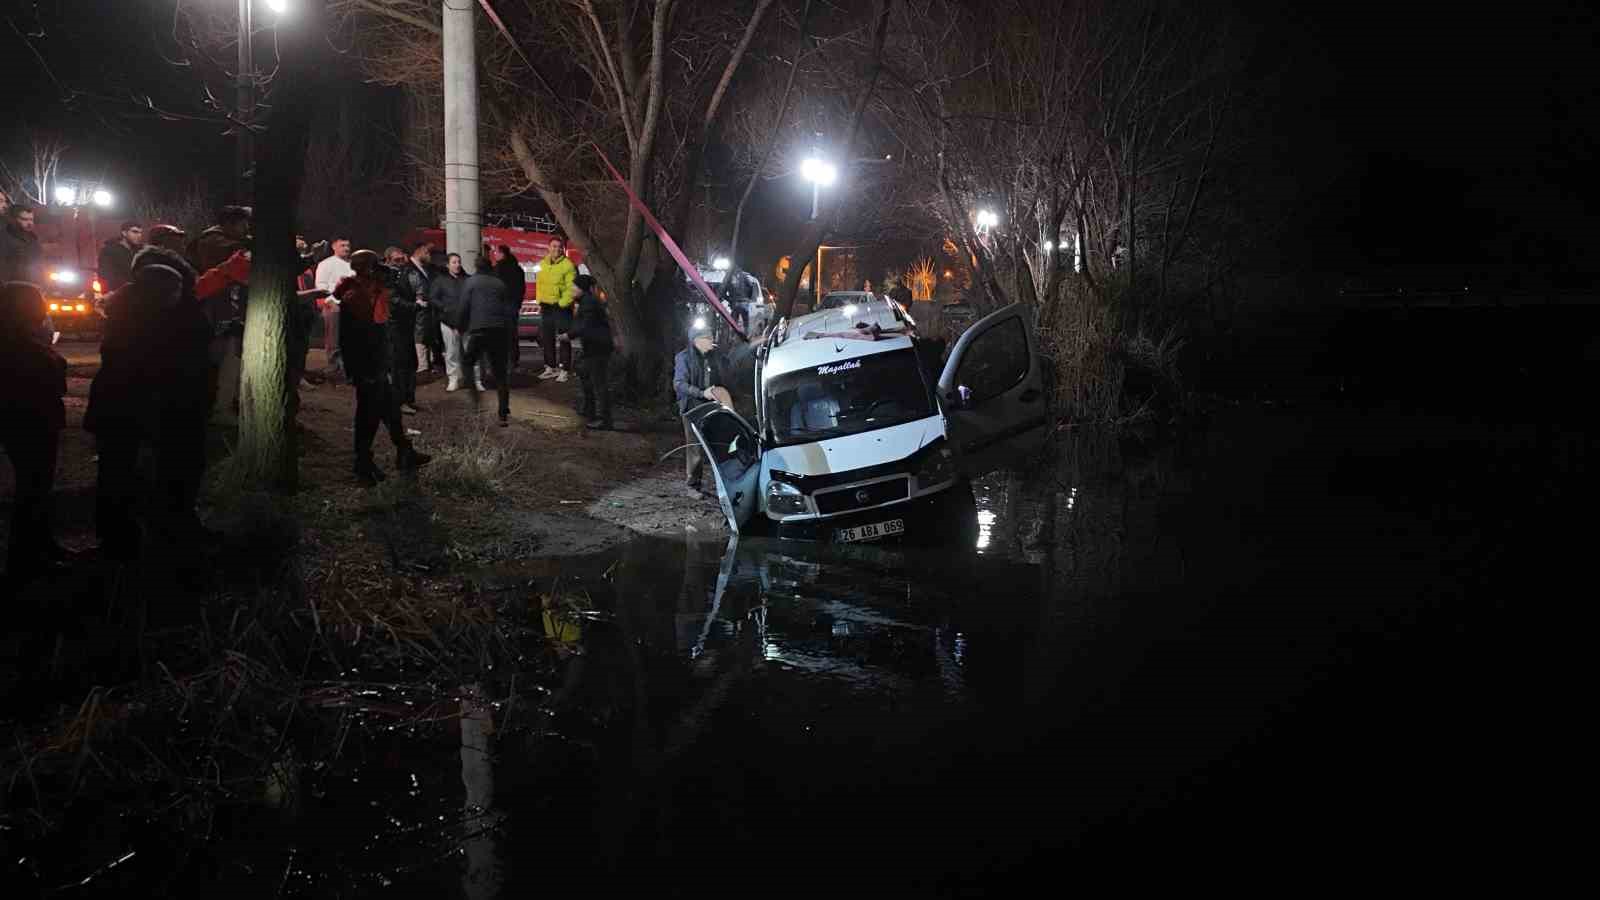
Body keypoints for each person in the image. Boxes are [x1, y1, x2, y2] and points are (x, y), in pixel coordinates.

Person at [85, 250, 214, 560]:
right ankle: (137, 536)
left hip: (130, 408)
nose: (180, 294)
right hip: (148, 408)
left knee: (122, 471)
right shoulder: (150, 320)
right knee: (138, 471)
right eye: (176, 290)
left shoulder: (131, 312)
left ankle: (126, 536)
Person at [335, 250, 431, 484]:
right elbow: (356, 336)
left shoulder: (366, 289)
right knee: (368, 415)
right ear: (368, 269)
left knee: (389, 408)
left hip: (374, 362)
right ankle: (362, 465)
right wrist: (361, 371)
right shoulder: (355, 294)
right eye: (376, 266)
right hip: (366, 365)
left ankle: (404, 452)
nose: (383, 271)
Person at [0, 282, 69, 582]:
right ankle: (26, 558)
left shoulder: (16, 338)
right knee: (33, 489)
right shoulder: (20, 345)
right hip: (31, 424)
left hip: (27, 422)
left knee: (36, 488)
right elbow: (52, 377)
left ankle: (41, 546)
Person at [190, 205, 252, 425]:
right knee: (222, 357)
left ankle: (223, 405)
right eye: (244, 224)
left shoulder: (222, 241)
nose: (247, 229)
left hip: (227, 307)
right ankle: (218, 409)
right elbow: (233, 261)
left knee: (230, 357)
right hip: (215, 308)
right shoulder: (212, 241)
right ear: (230, 224)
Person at [672, 319, 735, 496]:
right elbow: (679, 384)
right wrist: (701, 393)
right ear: (696, 341)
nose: (711, 341)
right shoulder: (683, 358)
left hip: (713, 406)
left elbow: (724, 377)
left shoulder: (714, 357)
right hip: (692, 408)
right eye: (708, 338)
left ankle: (725, 484)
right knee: (695, 447)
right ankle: (692, 485)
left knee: (718, 445)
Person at [460, 257, 517, 427]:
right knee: (500, 373)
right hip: (499, 331)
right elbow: (508, 308)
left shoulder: (470, 283)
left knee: (467, 363)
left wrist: (460, 325)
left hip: (478, 330)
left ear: (476, 267)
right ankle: (503, 413)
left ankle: (476, 401)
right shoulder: (499, 284)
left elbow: (464, 306)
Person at [431, 252, 483, 392]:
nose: (457, 265)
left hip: (468, 322)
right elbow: (433, 298)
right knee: (451, 353)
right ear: (447, 265)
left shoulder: (468, 279)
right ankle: (453, 379)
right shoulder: (440, 280)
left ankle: (476, 380)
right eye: (454, 262)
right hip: (448, 322)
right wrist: (445, 308)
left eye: (459, 262)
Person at [569, 273, 614, 430]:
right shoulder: (585, 302)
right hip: (593, 346)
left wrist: (569, 335)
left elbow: (585, 326)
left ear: (582, 288)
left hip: (598, 348)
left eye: (574, 287)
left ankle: (604, 419)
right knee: (586, 377)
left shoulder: (589, 303)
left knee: (598, 383)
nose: (571, 289)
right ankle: (590, 410)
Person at [384, 246, 421, 413]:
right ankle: (400, 401)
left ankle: (407, 398)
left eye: (402, 259)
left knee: (410, 363)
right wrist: (415, 306)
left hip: (405, 324)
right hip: (394, 325)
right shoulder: (388, 276)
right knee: (399, 364)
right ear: (388, 260)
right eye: (396, 260)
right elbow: (393, 300)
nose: (400, 263)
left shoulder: (405, 272)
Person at [532, 238, 575, 381]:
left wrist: (562, 303)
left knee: (563, 338)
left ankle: (564, 369)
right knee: (547, 338)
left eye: (560, 247)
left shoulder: (568, 265)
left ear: (563, 248)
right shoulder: (542, 264)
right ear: (548, 247)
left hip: (561, 307)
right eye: (554, 246)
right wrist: (539, 301)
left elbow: (571, 289)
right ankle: (550, 368)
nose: (557, 249)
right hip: (546, 306)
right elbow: (539, 283)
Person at [314, 237, 354, 377]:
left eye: (348, 245)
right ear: (334, 247)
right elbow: (321, 286)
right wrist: (331, 302)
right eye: (342, 245)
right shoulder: (326, 264)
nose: (346, 248)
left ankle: (348, 366)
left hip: (352, 306)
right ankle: (334, 366)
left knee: (350, 338)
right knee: (334, 338)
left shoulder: (353, 264)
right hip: (333, 304)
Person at [489, 244, 527, 373]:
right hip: (512, 306)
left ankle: (501, 363)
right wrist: (518, 304)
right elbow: (521, 289)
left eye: (496, 252)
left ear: (502, 254)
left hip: (499, 307)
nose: (494, 254)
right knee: (512, 335)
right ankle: (513, 363)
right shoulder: (517, 269)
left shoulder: (497, 270)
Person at [399, 242, 435, 377]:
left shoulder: (424, 268)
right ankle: (422, 366)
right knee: (419, 336)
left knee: (425, 336)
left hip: (425, 311)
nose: (429, 255)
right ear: (418, 251)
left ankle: (426, 364)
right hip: (416, 310)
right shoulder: (409, 269)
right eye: (427, 252)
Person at [0, 204, 44, 286]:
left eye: (31, 219)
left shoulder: (33, 239)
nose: (30, 223)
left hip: (32, 287)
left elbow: (39, 264)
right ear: (13, 219)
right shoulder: (3, 237)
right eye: (24, 219)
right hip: (9, 288)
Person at [97, 221, 145, 293]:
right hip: (118, 295)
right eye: (135, 232)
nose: (139, 235)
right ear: (124, 233)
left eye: (140, 233)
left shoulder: (140, 251)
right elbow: (104, 274)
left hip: (138, 294)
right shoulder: (109, 251)